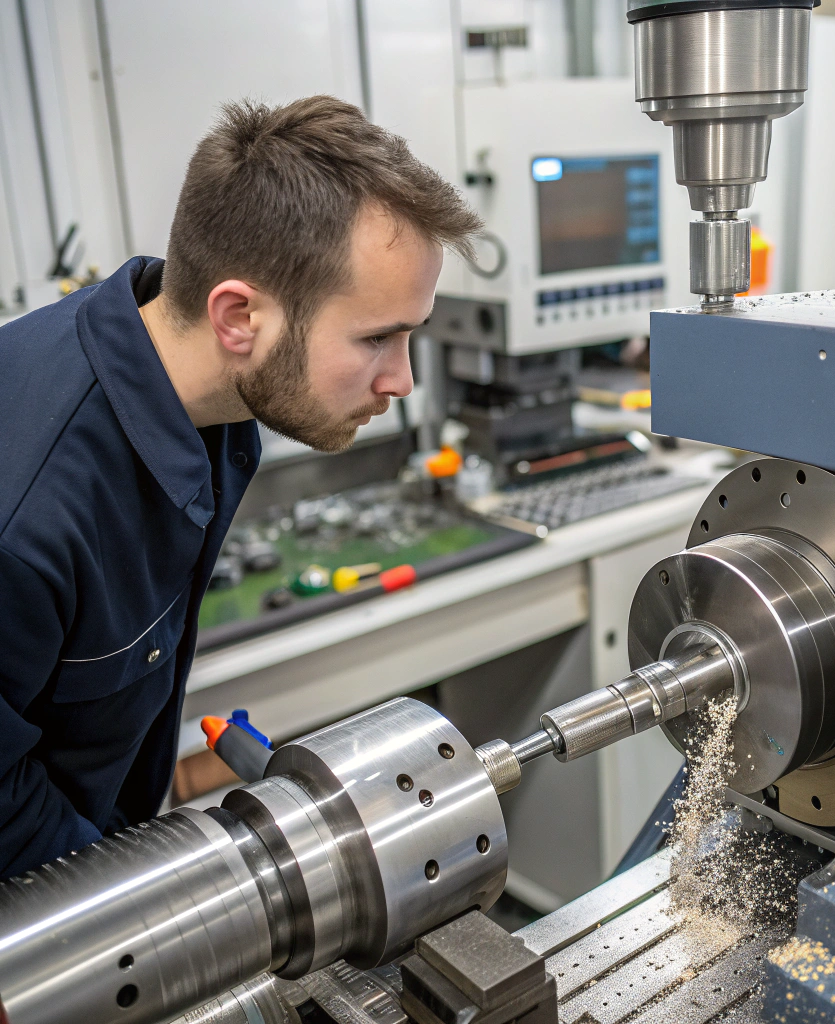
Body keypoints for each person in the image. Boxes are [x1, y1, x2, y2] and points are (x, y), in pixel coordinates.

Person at [0, 95, 481, 879]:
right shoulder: (30, 515)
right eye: (375, 338)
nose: (401, 380)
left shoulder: (207, 397)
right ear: (237, 317)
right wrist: (135, 914)